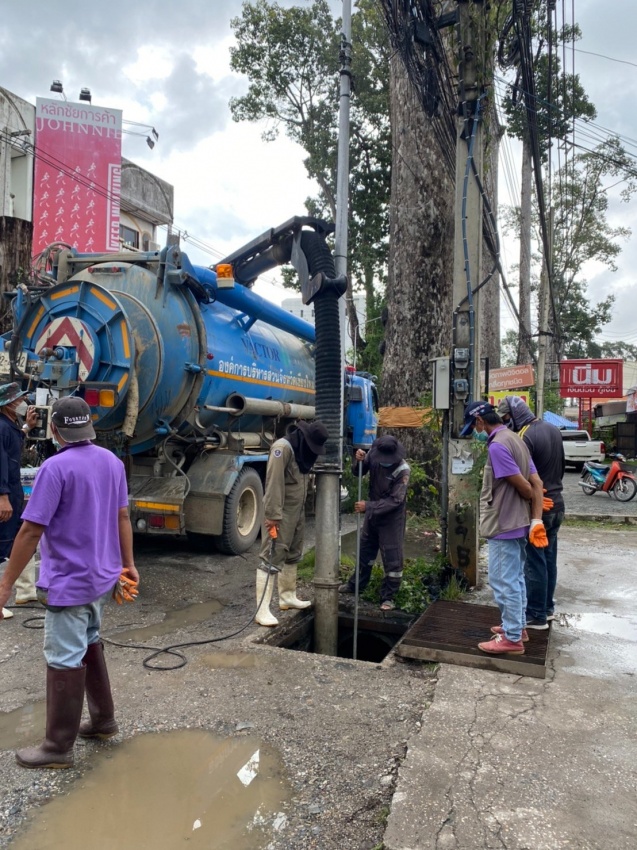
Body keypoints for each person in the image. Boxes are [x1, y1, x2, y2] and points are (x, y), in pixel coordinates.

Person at [0, 396, 137, 769]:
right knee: (89, 642)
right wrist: (128, 565)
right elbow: (122, 517)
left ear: (54, 429)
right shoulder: (111, 462)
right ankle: (104, 722)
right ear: (89, 426)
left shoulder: (55, 467)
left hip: (69, 583)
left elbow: (30, 531)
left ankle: (57, 747)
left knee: (63, 657)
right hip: (101, 580)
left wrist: (5, 584)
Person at [460, 401, 547, 655]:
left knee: (503, 581)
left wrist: (535, 507)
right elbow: (537, 481)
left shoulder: (497, 446)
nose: (475, 431)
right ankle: (517, 627)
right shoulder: (515, 438)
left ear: (480, 421)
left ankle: (512, 638)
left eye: (474, 426)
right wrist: (536, 517)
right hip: (517, 521)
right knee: (516, 578)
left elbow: (526, 487)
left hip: (503, 523)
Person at [497, 395, 565, 629]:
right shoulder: (553, 429)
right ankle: (546, 608)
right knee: (549, 558)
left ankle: (536, 614)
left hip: (539, 507)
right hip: (557, 503)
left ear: (514, 414)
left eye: (506, 418)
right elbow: (561, 467)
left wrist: (531, 501)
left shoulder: (524, 436)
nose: (506, 423)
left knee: (534, 561)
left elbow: (524, 477)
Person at [255, 419, 329, 627]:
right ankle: (261, 610)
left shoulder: (301, 451)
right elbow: (273, 483)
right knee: (272, 555)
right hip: (281, 511)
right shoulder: (282, 448)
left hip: (297, 510)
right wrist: (272, 515)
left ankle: (287, 596)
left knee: (293, 552)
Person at [339, 435, 410, 611]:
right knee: (365, 550)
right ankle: (356, 585)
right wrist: (359, 461)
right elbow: (358, 472)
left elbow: (395, 500)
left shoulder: (402, 470)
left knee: (392, 556)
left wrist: (368, 506)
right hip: (373, 515)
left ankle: (389, 596)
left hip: (392, 518)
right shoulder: (374, 454)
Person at [0, 383, 37, 619]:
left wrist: (26, 428)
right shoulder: (1, 428)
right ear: (8, 404)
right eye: (19, 400)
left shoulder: (9, 426)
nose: (23, 403)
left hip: (12, 492)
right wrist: (2, 497)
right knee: (2, 544)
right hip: (5, 494)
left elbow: (13, 443)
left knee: (19, 540)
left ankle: (25, 591)